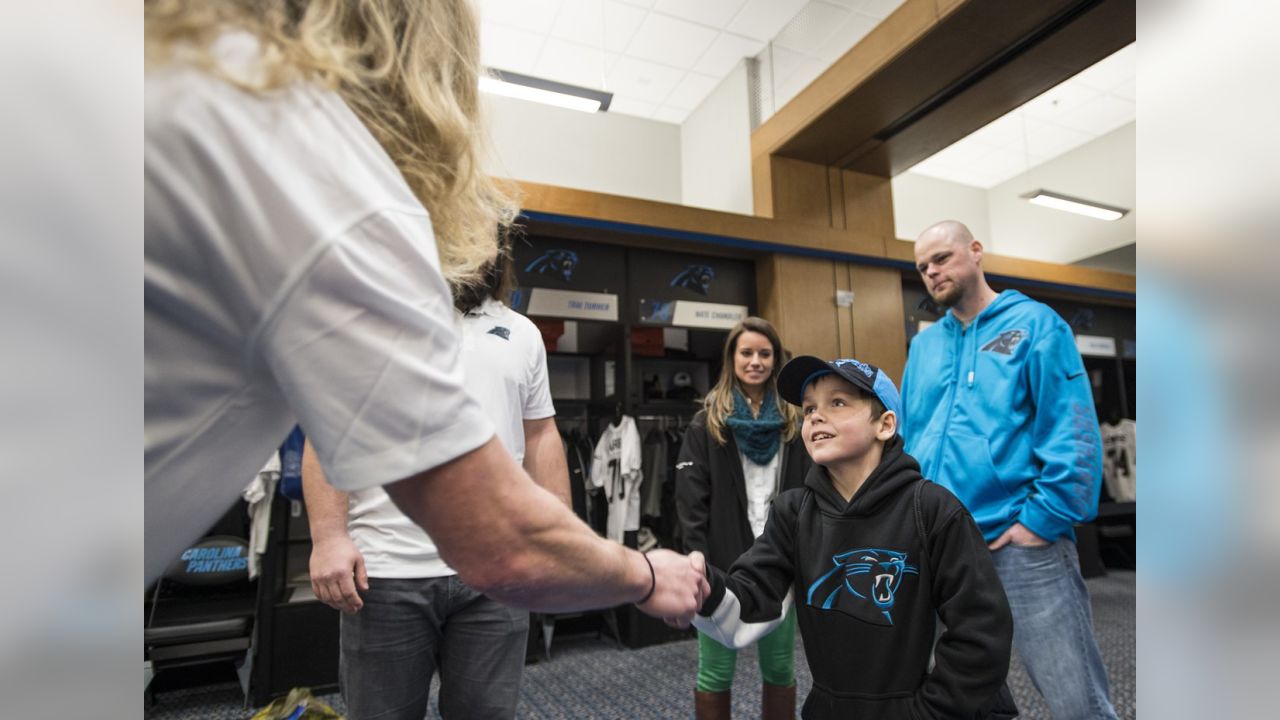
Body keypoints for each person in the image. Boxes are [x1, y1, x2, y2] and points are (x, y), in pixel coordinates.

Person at [143, 0, 707, 623]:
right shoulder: (327, 184)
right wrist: (647, 571)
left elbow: (537, 442)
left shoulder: (181, 101)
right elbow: (505, 545)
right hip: (392, 564)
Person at [301, 251, 565, 719]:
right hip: (385, 573)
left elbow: (541, 435)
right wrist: (328, 537)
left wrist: (561, 539)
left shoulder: (522, 333)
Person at [692, 356, 1016, 719]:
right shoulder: (792, 513)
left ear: (885, 425)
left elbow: (982, 632)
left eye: (838, 402)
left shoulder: (934, 510)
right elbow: (752, 596)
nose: (815, 415)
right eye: (810, 407)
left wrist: (927, 712)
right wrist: (701, 587)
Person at [901, 220, 1117, 720]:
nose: (932, 272)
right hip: (944, 550)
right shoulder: (925, 347)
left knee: (1075, 699)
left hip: (1023, 546)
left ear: (976, 252)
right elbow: (909, 439)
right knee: (964, 698)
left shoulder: (1037, 325)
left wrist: (1038, 524)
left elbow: (1073, 430)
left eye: (942, 258)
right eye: (922, 267)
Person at [676, 318, 811, 720]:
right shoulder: (708, 422)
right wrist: (695, 554)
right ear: (731, 359)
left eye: (764, 354)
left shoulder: (794, 421)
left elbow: (809, 490)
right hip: (721, 563)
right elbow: (691, 498)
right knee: (715, 672)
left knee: (781, 667)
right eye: (746, 353)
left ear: (776, 359)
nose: (755, 361)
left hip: (779, 562)